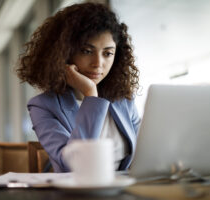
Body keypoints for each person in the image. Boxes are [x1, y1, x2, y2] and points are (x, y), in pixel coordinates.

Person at [17, 2, 141, 173]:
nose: (98, 64)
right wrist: (90, 95)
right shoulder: (42, 106)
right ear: (65, 53)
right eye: (87, 51)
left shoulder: (123, 99)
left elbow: (145, 152)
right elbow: (75, 165)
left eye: (108, 53)